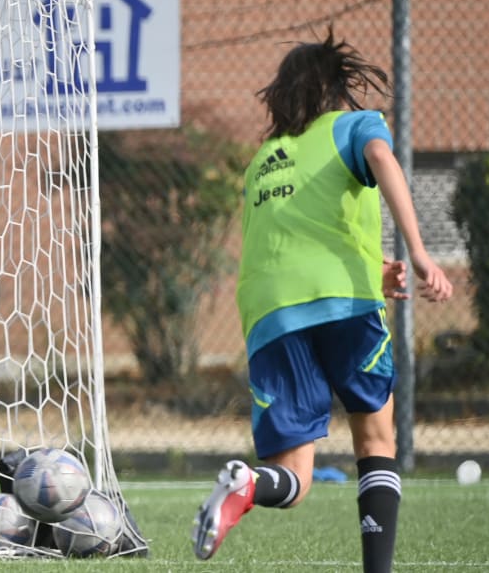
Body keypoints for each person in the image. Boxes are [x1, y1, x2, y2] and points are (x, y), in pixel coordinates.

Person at [191, 28, 453, 573]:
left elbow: (290, 234)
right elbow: (381, 156)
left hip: (269, 313)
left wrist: (370, 269)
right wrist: (419, 252)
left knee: (295, 480)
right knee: (376, 437)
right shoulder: (355, 124)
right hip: (342, 305)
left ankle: (248, 484)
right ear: (337, 89)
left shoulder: (263, 159)